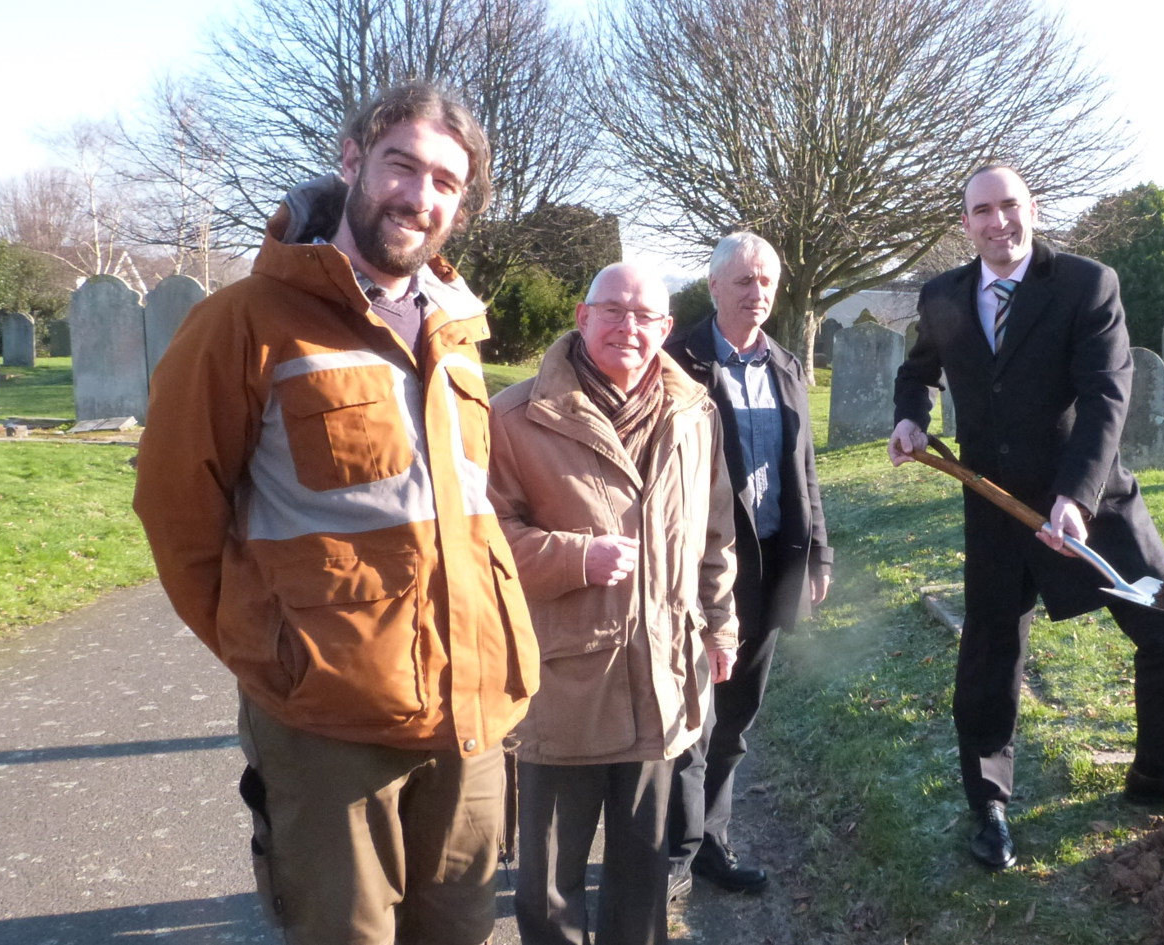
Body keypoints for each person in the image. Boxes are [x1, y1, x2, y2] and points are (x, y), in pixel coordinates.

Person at [133, 82, 537, 945]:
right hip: (327, 730)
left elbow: (468, 513)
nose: (419, 197)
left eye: (445, 183)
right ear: (353, 160)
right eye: (402, 166)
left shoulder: (456, 333)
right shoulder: (243, 324)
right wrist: (277, 656)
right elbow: (177, 514)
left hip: (468, 718)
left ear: (460, 208)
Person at [888, 165, 1164, 873]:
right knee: (991, 652)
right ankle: (988, 800)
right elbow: (918, 370)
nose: (999, 223)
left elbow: (1107, 393)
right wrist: (909, 416)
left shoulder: (1087, 284)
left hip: (1091, 498)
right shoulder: (943, 296)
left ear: (1033, 208)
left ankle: (1159, 772)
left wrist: (1074, 498)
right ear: (966, 223)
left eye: (1010, 206)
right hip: (994, 504)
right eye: (982, 211)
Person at [488, 262, 741, 945]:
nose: (629, 327)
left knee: (641, 878)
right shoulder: (515, 417)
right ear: (581, 315)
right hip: (561, 685)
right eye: (613, 311)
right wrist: (576, 556)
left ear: (665, 327)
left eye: (645, 316)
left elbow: (715, 532)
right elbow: (484, 541)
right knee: (548, 888)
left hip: (661, 678)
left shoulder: (696, 413)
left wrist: (720, 623)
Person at [662, 232, 833, 898]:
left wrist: (817, 548)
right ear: (713, 287)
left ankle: (710, 843)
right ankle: (672, 855)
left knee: (734, 715)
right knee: (687, 713)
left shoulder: (786, 366)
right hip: (695, 569)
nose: (758, 293)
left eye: (766, 281)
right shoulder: (677, 360)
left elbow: (806, 472)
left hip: (766, 565)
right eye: (743, 282)